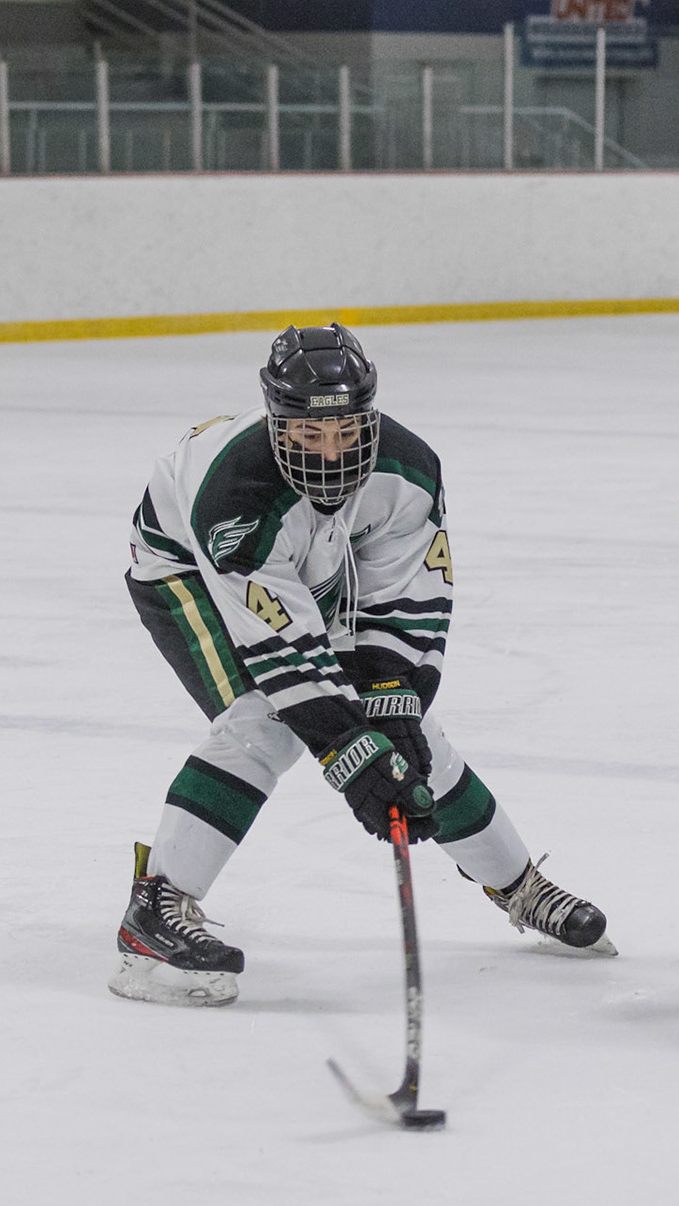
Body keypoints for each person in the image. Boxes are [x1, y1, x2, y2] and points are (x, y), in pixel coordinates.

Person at [110, 323, 614, 1007]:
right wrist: (350, 755)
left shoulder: (408, 469)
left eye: (346, 430)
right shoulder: (234, 496)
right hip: (188, 572)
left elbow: (405, 603)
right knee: (264, 720)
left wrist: (392, 701)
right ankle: (154, 912)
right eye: (308, 434)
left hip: (310, 567)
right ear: (276, 421)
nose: (331, 453)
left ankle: (518, 883)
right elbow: (286, 657)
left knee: (409, 739)